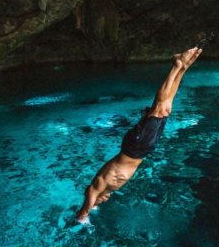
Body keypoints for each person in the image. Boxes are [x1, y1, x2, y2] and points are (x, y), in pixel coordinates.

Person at [76, 47, 202, 222]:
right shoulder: (107, 189)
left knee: (159, 108)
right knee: (166, 109)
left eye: (99, 202)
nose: (104, 201)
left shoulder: (97, 187)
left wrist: (85, 214)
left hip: (135, 147)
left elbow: (86, 204)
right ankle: (183, 67)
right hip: (140, 149)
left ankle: (176, 65)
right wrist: (98, 204)